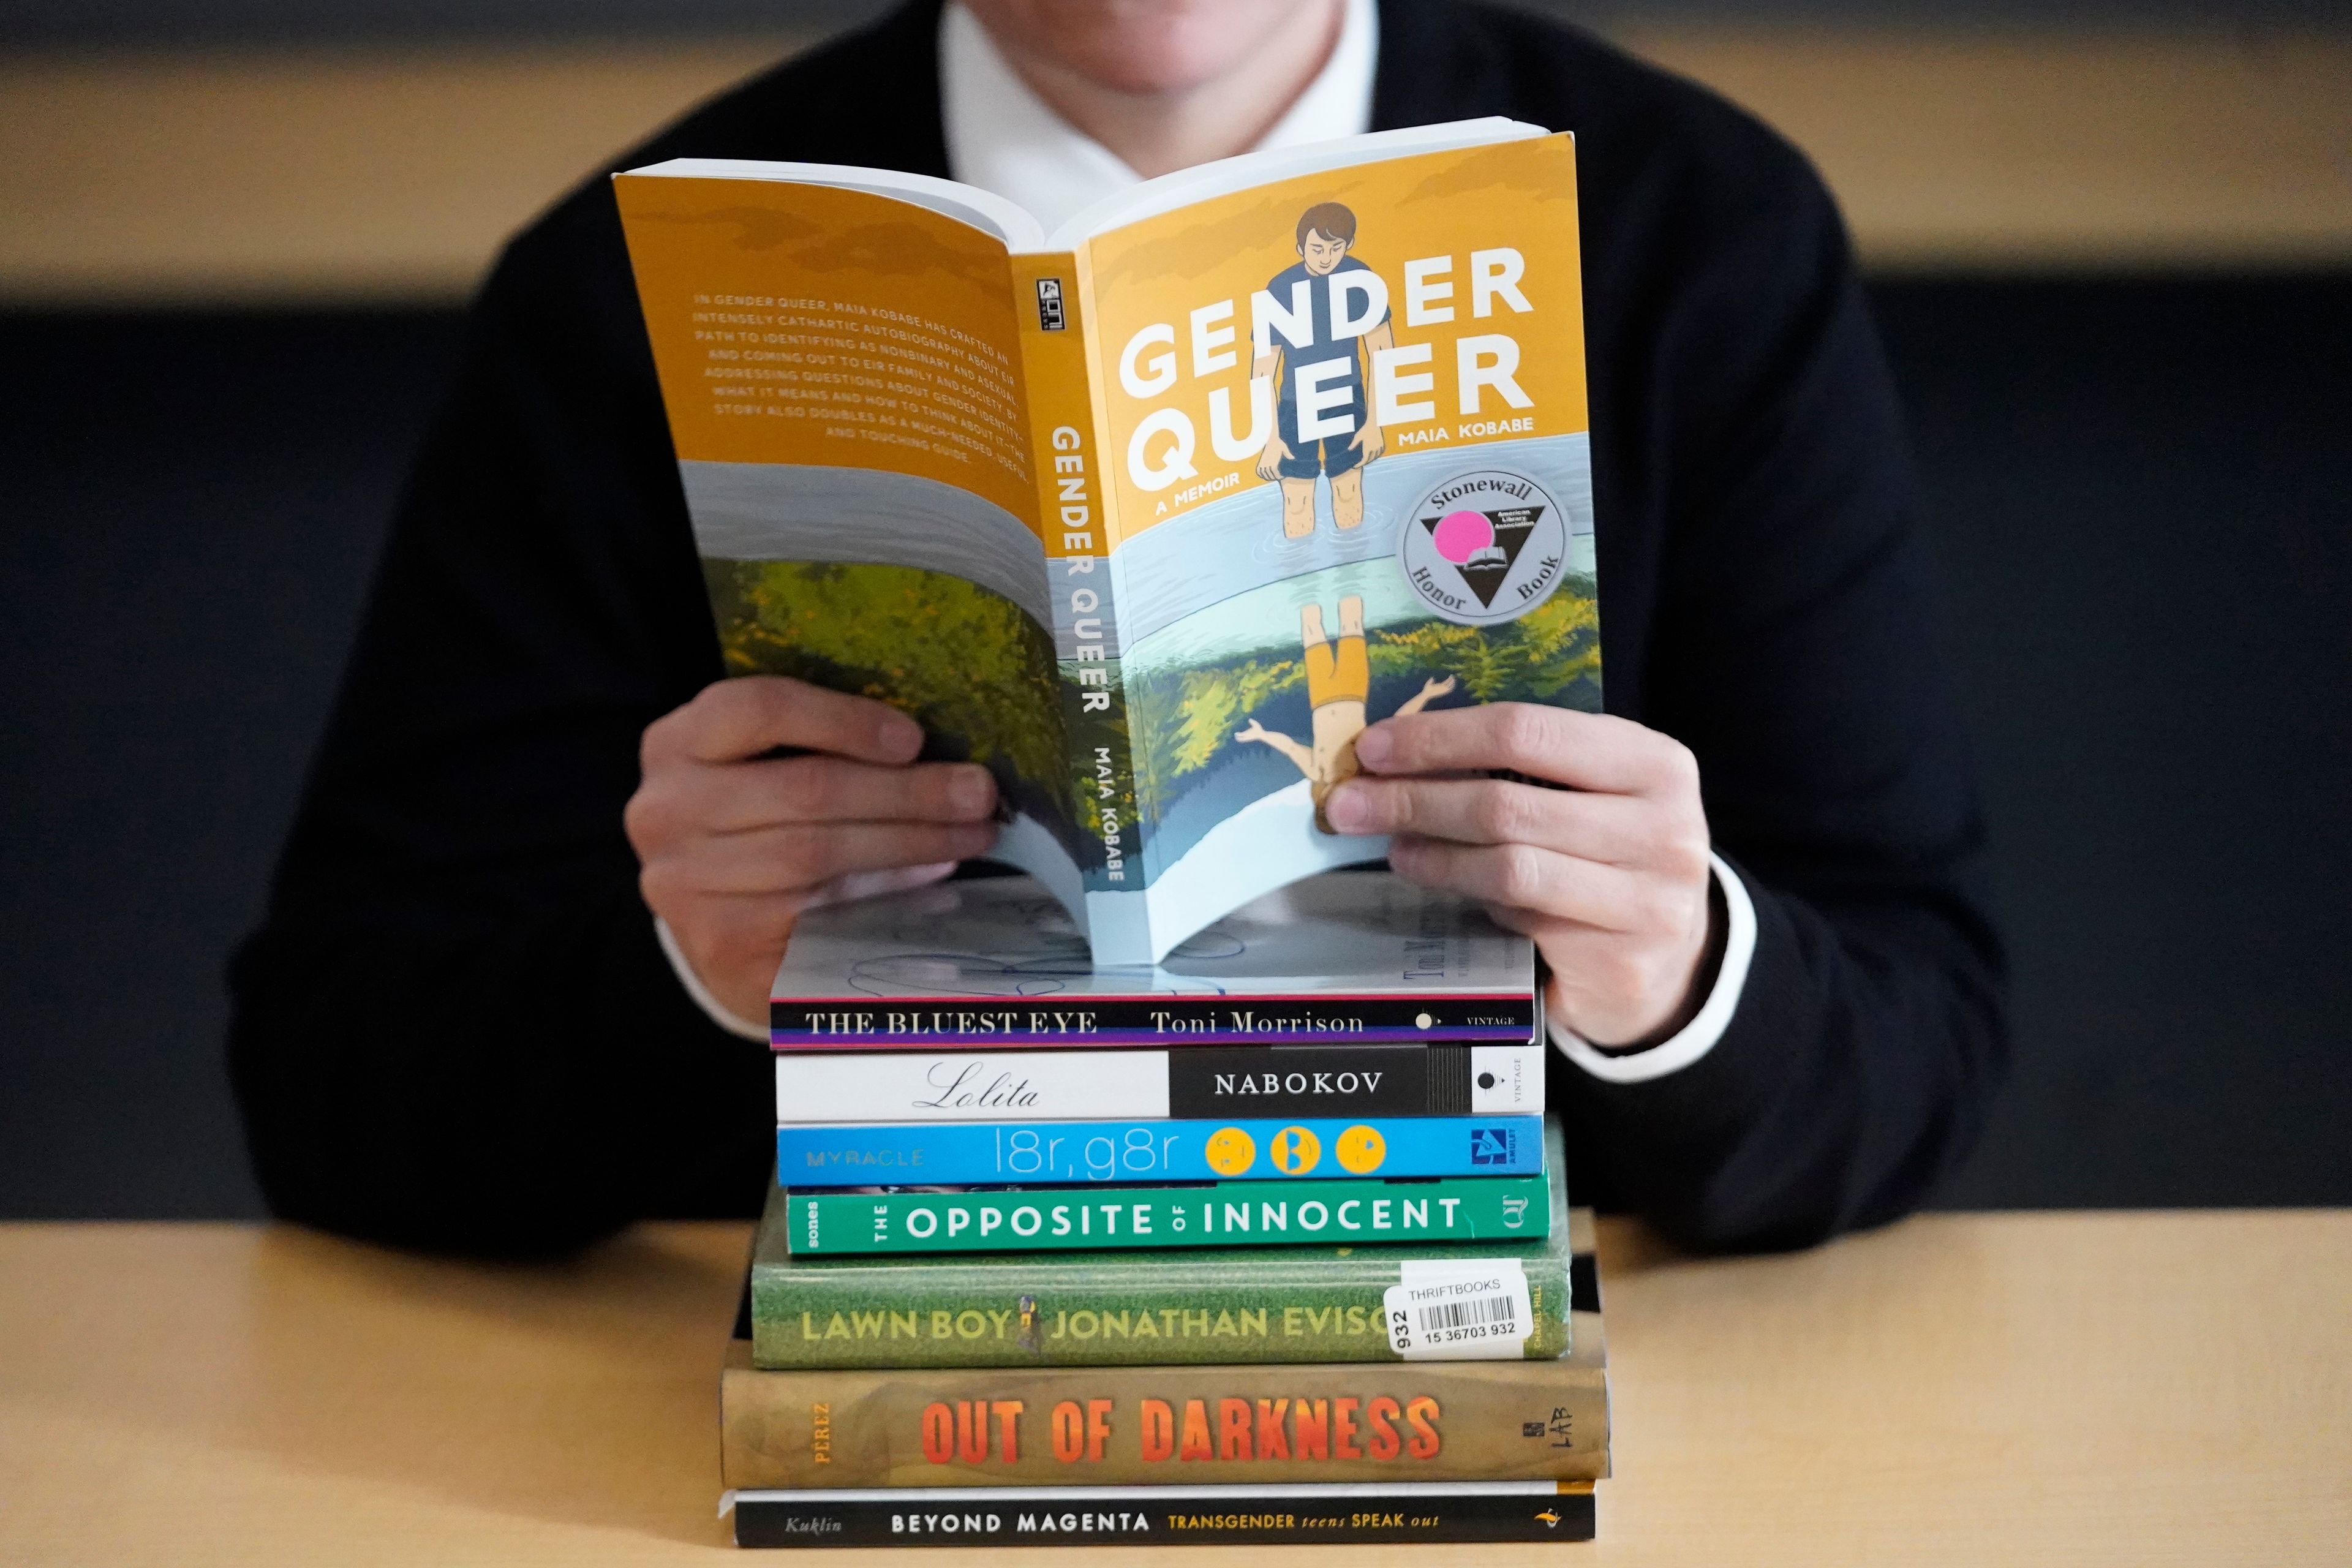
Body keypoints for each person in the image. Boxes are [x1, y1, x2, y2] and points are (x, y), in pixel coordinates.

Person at [228, 0, 2007, 1257]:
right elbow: (333, 1079)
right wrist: (692, 972)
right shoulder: (626, 287)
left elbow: (1923, 1030)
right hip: (888, 1363)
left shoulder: (1697, 234)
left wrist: (1675, 966)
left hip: (1471, 1344)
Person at [1234, 597, 1455, 830]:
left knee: (1311, 628)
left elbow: (1289, 747)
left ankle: (1304, 587)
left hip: (1321, 697)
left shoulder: (1316, 771)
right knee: (1351, 622)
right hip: (1353, 691)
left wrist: (1262, 735)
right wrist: (1425, 695)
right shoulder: (1364, 767)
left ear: (1319, 801)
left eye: (1328, 804)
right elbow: (1396, 722)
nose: (1335, 798)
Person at [1252, 202, 1392, 536]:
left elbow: (1382, 352)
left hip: (1347, 398)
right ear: (1301, 247)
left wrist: (1374, 424)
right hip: (1295, 406)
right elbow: (1263, 369)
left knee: (1348, 492)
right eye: (1317, 249)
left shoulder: (1361, 280)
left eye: (1336, 248)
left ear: (1349, 245)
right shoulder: (1281, 288)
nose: (1327, 257)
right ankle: (1303, 583)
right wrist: (1271, 438)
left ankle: (1354, 584)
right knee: (1297, 501)